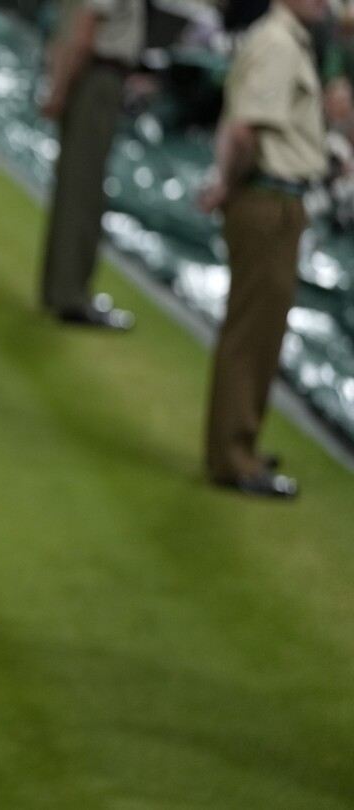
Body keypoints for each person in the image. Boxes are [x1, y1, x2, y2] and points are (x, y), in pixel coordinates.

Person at [197, 0, 329, 498]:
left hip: (274, 197)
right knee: (253, 334)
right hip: (267, 198)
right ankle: (232, 456)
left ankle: (240, 444)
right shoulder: (278, 41)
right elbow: (246, 129)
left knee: (259, 333)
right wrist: (228, 185)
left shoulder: (285, 38)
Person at [37, 0, 146, 329]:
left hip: (92, 75)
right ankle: (71, 296)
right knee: (81, 191)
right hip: (96, 76)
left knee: (76, 187)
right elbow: (85, 31)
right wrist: (61, 89)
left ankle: (61, 289)